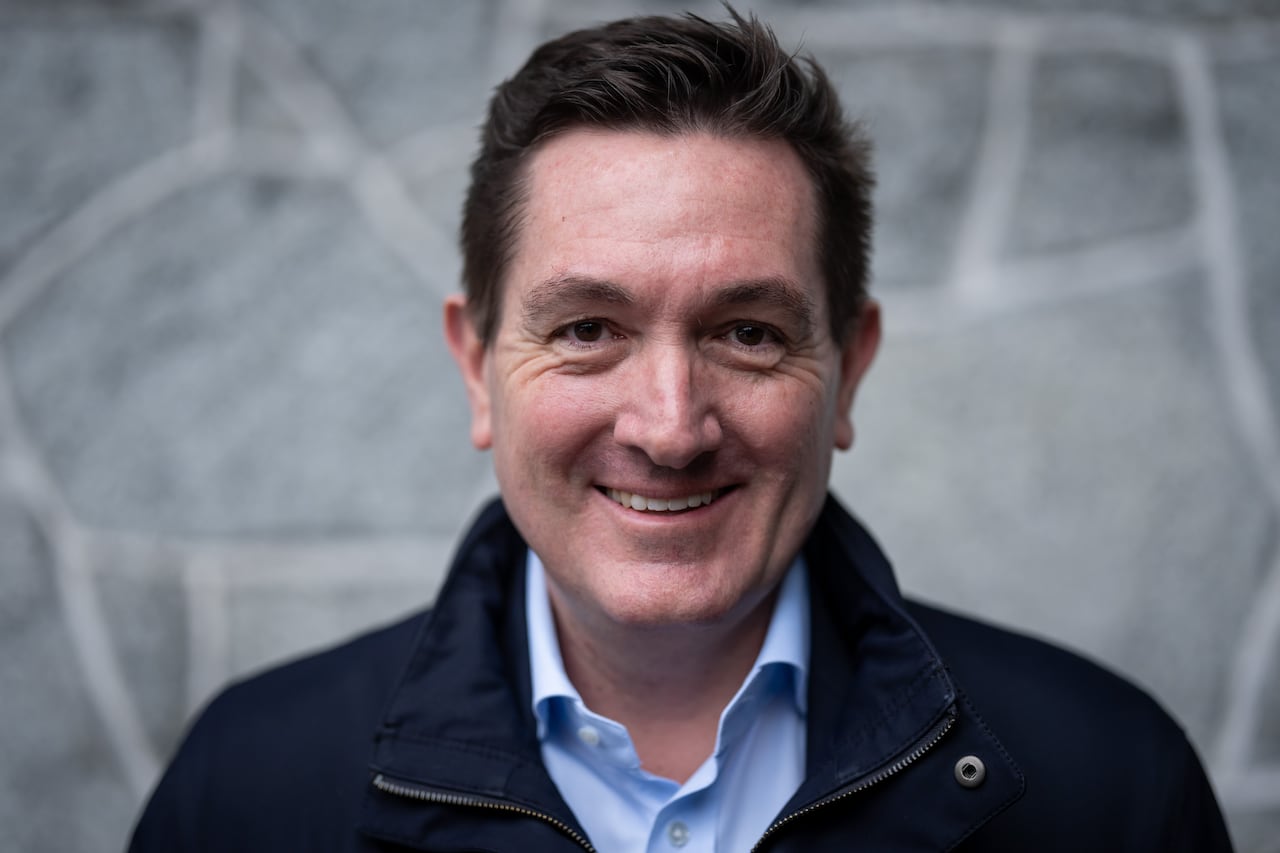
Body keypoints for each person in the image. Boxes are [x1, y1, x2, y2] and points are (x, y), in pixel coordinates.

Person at [129, 8, 1233, 852]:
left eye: (747, 332)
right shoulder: (247, 790)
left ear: (847, 369)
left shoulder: (1108, 790)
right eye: (588, 328)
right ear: (477, 367)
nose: (668, 427)